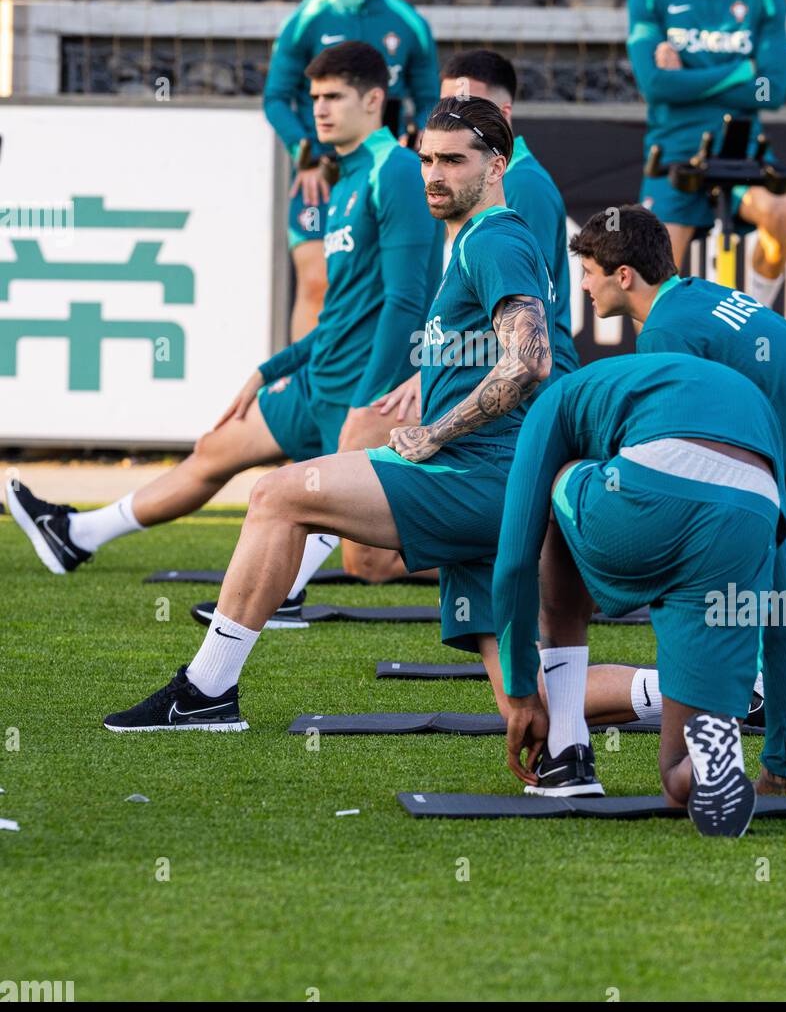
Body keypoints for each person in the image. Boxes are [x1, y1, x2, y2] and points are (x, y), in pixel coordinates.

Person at [100, 96, 557, 733]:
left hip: (476, 477)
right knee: (529, 706)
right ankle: (716, 698)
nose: (433, 174)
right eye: (426, 158)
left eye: (454, 160)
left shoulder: (494, 239)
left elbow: (531, 362)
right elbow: (500, 357)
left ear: (496, 164)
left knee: (277, 494)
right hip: (491, 480)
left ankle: (205, 692)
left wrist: (435, 431)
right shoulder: (478, 241)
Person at [7, 43, 442, 596]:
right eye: (314, 97)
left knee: (369, 564)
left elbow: (406, 299)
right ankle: (75, 534)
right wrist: (270, 369)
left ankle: (511, 567)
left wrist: (367, 405)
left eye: (334, 96)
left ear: (375, 99)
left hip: (366, 391)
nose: (319, 110)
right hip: (319, 379)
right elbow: (341, 311)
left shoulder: (397, 171)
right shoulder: (340, 180)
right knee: (216, 449)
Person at [561, 204, 786, 729]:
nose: (584, 287)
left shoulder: (665, 333)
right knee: (739, 627)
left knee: (774, 641)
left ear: (623, 275)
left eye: (589, 274)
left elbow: (693, 453)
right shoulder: (693, 296)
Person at [493, 351, 786, 838]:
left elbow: (514, 560)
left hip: (648, 496)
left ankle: (567, 755)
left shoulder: (550, 403)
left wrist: (520, 693)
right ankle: (712, 761)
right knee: (676, 775)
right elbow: (784, 618)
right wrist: (779, 763)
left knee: (563, 478)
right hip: (745, 519)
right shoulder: (748, 398)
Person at [264, 0, 440, 338]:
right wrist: (303, 155)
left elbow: (431, 102)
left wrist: (414, 153)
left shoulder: (410, 24)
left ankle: (370, 392)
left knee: (386, 288)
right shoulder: (308, 19)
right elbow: (275, 99)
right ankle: (303, 390)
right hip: (320, 175)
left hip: (384, 175)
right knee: (316, 283)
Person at [627, 0, 786, 305]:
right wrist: (739, 73)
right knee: (651, 284)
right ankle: (668, 369)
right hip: (675, 149)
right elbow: (655, 85)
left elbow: (771, 91)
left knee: (780, 211)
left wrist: (687, 75)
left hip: (740, 148)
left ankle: (756, 315)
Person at [439, 49, 580, 384]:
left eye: (467, 106)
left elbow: (530, 317)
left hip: (529, 393)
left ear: (503, 114)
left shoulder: (523, 185)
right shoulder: (469, 180)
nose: (452, 116)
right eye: (445, 106)